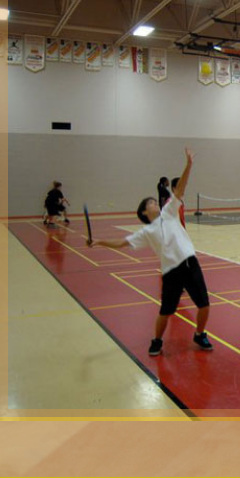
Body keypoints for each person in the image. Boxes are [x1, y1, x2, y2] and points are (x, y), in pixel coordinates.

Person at [90, 148, 211, 357]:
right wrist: (100, 241)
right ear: (145, 212)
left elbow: (180, 189)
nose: (156, 203)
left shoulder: (170, 213)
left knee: (204, 305)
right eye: (152, 203)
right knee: (166, 311)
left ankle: (199, 334)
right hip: (171, 272)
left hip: (190, 263)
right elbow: (121, 243)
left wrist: (189, 165)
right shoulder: (146, 232)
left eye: (155, 201)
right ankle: (157, 340)